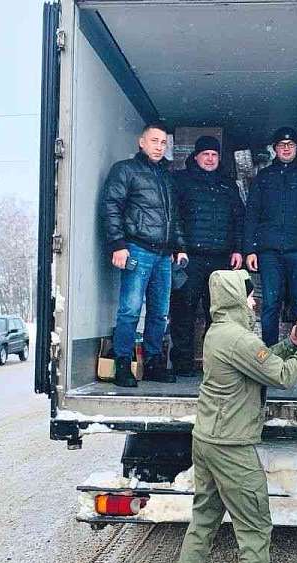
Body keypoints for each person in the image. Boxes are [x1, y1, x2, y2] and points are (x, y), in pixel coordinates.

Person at [169, 270, 297, 563]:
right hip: (231, 447)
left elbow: (259, 363)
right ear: (235, 299)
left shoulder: (220, 332)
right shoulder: (239, 339)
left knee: (204, 519)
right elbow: (282, 375)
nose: (254, 301)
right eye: (249, 295)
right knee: (254, 528)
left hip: (208, 439)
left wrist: (292, 343)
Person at [102, 121, 188, 387]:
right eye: (154, 141)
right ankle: (122, 364)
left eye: (163, 143)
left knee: (160, 313)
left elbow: (174, 216)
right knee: (130, 310)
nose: (159, 147)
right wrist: (117, 244)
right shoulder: (125, 170)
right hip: (137, 249)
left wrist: (179, 247)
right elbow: (111, 206)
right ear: (141, 142)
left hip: (164, 255)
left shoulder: (167, 176)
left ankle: (152, 363)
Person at [243, 127, 297, 346]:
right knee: (271, 304)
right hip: (269, 252)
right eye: (281, 145)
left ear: (296, 147)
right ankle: (269, 356)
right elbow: (252, 214)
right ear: (274, 149)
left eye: (290, 144)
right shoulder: (264, 177)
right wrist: (250, 249)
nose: (286, 148)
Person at [169, 135, 245, 376]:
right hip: (190, 257)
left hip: (221, 259)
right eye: (206, 154)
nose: (210, 159)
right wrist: (178, 248)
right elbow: (174, 217)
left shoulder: (228, 184)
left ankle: (215, 364)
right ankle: (182, 364)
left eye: (214, 155)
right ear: (196, 157)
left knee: (218, 313)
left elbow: (238, 219)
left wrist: (238, 249)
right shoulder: (181, 181)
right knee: (184, 311)